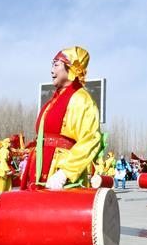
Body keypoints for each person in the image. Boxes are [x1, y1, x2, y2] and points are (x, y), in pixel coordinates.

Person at [20, 47, 102, 191]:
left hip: (58, 170)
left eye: (56, 65)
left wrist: (64, 173)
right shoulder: (53, 100)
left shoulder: (81, 99)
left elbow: (90, 139)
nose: (52, 70)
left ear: (70, 68)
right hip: (40, 166)